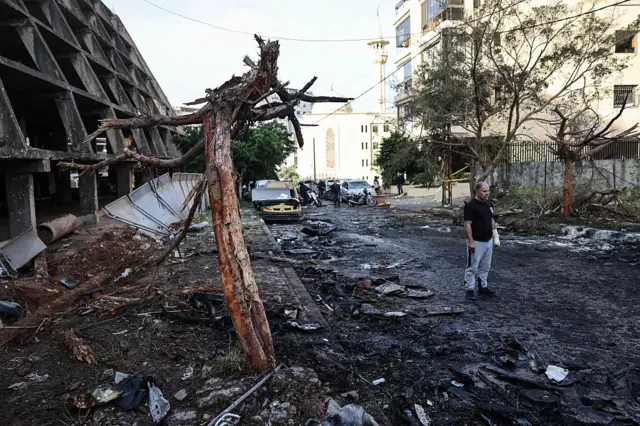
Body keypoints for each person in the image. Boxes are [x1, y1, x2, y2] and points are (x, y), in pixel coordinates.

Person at [463, 182, 500, 300]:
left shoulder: (489, 204)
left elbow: (492, 221)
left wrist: (496, 238)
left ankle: (483, 287)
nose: (487, 193)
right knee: (472, 267)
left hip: (488, 240)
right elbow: (467, 224)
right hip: (477, 241)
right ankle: (469, 290)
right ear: (477, 191)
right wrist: (471, 242)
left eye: (488, 190)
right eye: (484, 191)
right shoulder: (471, 206)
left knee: (485, 266)